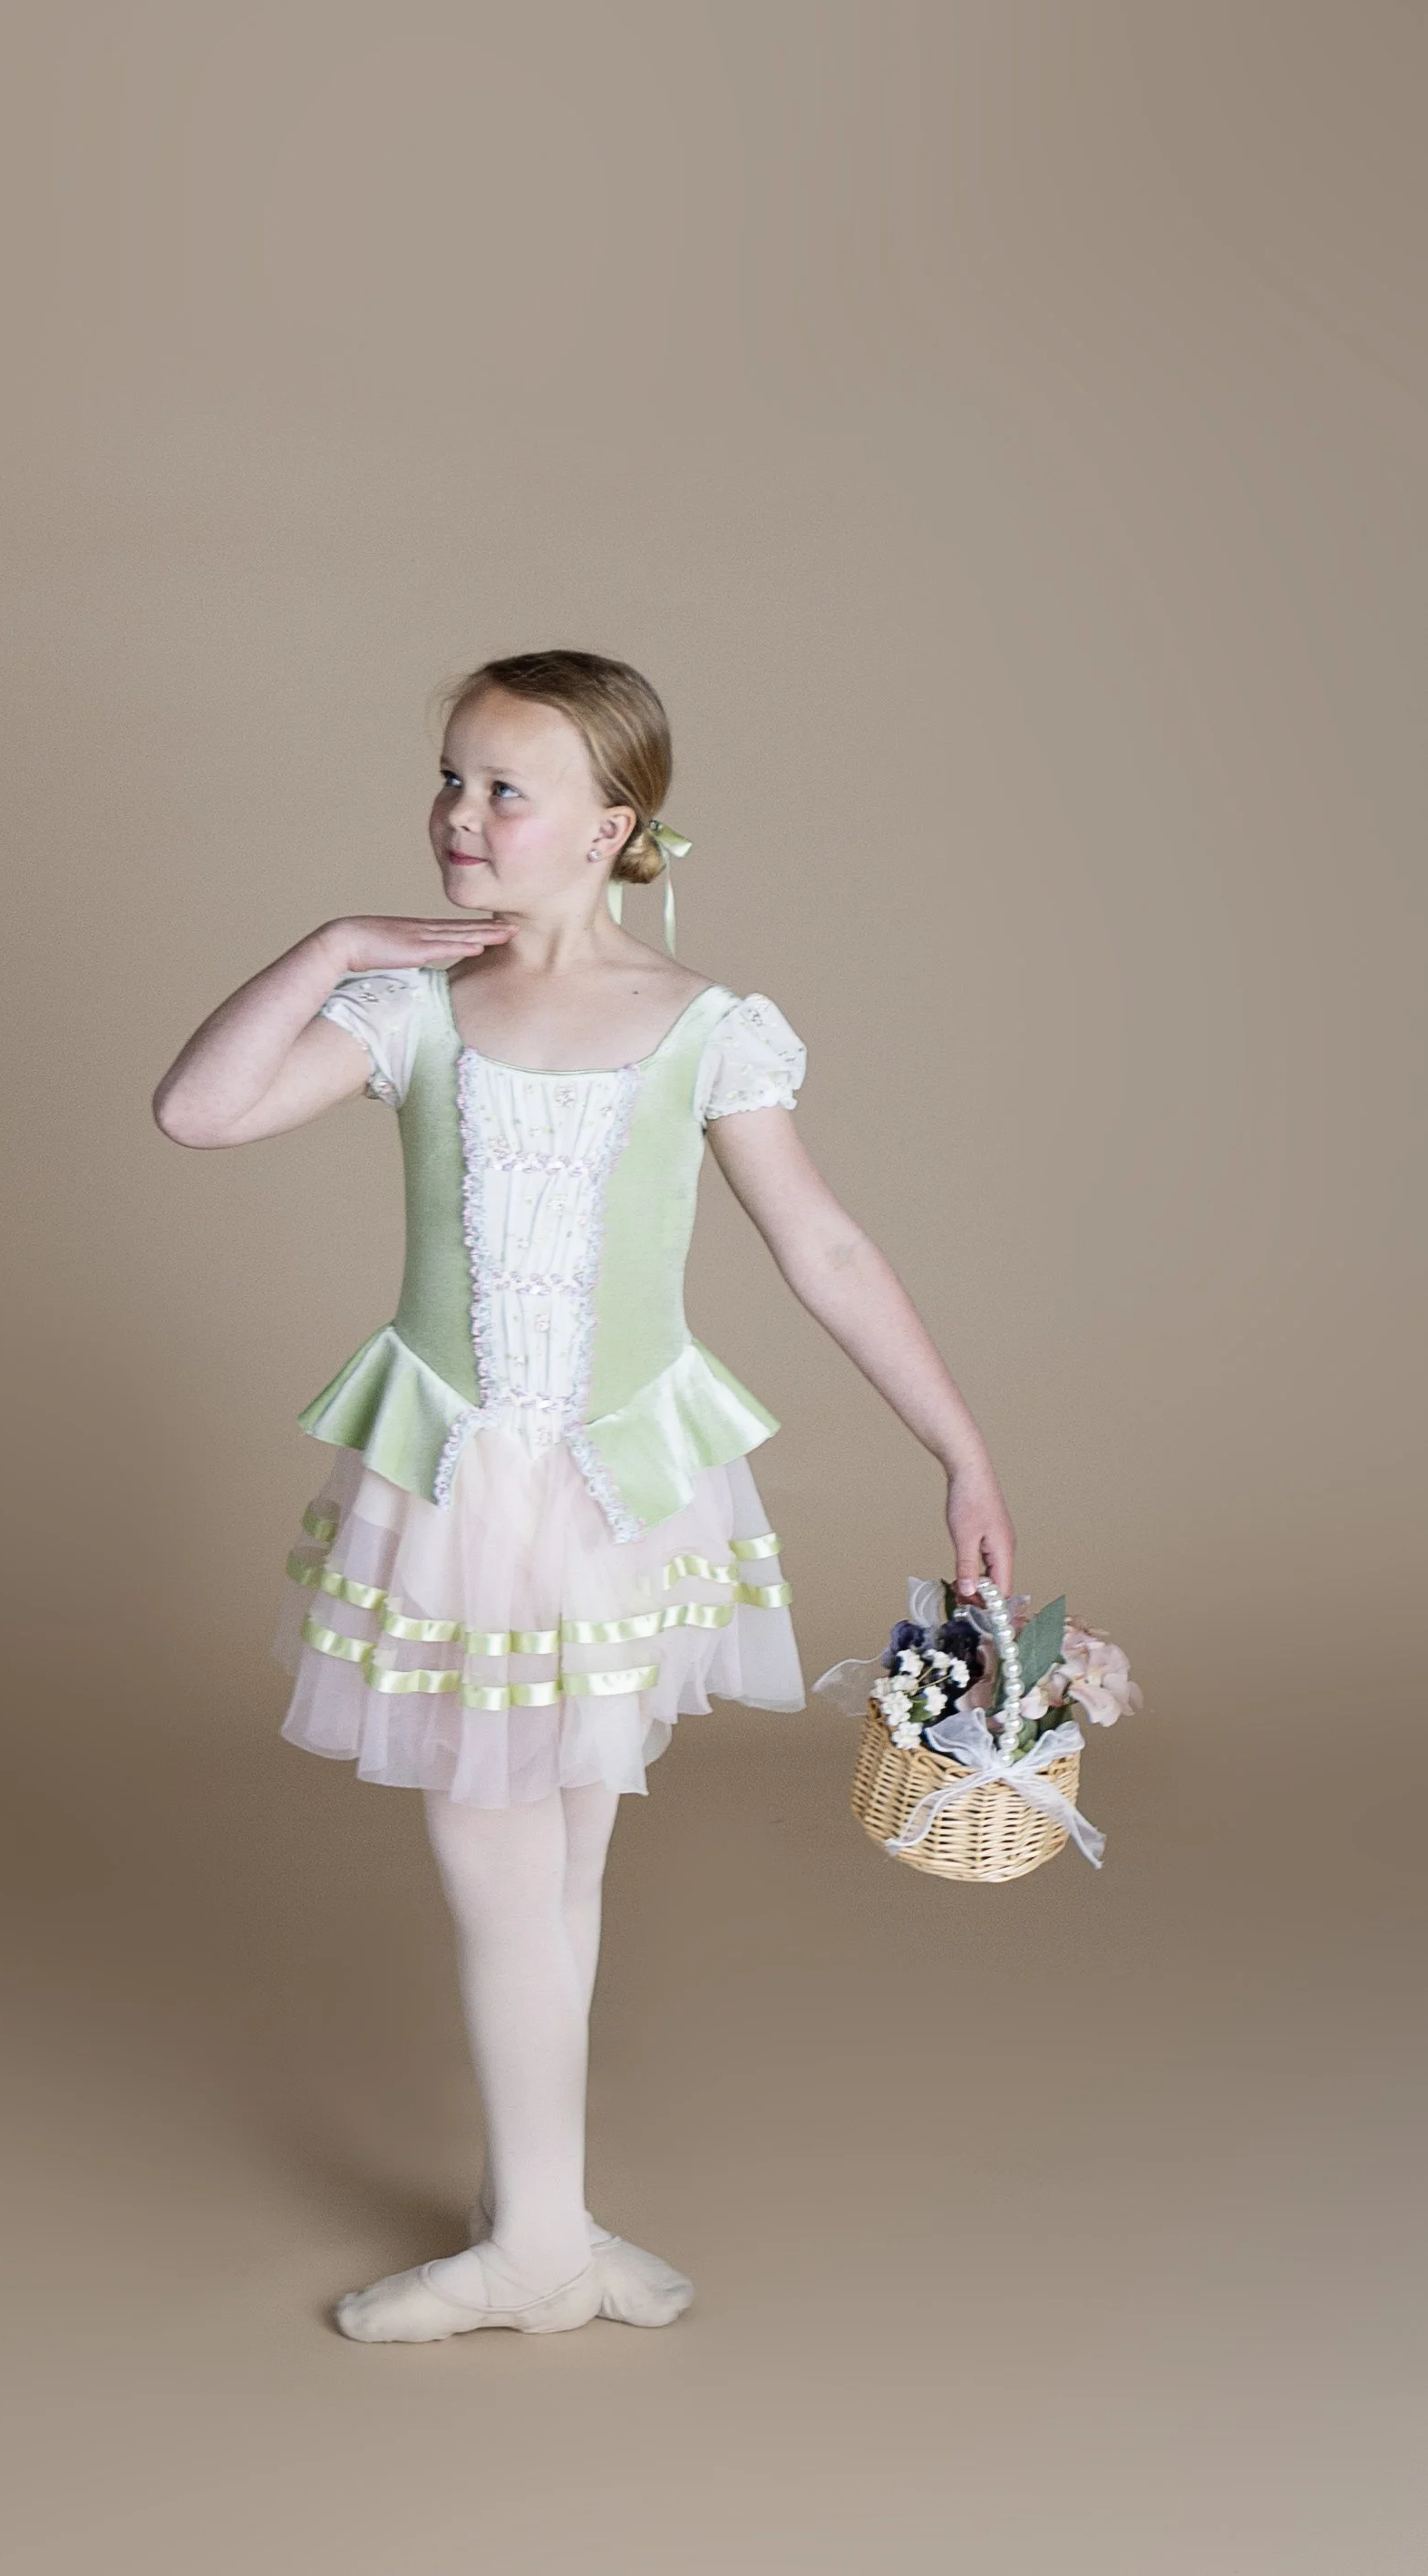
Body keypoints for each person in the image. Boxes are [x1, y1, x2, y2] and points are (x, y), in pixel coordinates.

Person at [153, 648, 1016, 2341]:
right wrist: (329, 947)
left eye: (505, 788)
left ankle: (539, 2237)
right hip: (460, 1495)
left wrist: (961, 1446)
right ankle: (542, 2228)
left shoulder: (701, 1030)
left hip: (619, 1493)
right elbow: (198, 1112)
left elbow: (824, 1247)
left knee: (563, 1872)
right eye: (453, 779)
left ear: (615, 827)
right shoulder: (409, 1010)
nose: (461, 815)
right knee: (503, 1874)